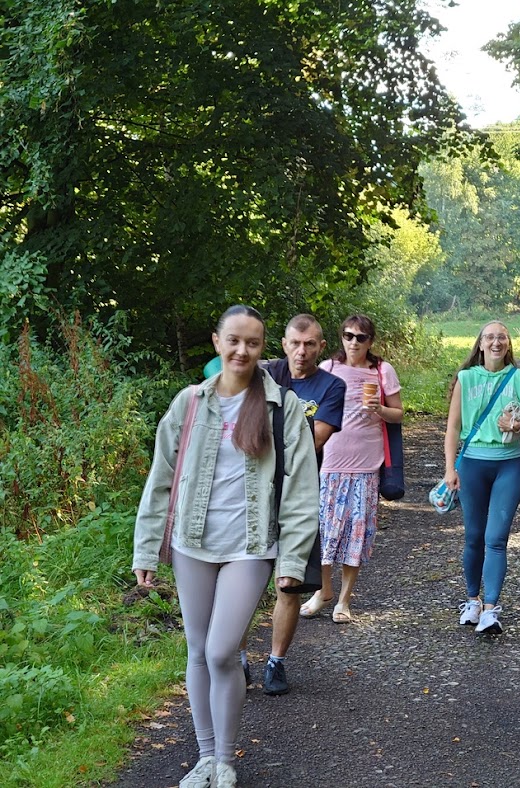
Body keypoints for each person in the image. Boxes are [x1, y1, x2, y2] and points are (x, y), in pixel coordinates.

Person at [132, 305, 319, 788]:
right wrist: (146, 548)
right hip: (191, 543)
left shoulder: (284, 408)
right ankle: (206, 757)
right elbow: (161, 479)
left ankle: (227, 758)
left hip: (250, 547)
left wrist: (293, 560)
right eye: (233, 341)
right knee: (197, 650)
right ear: (217, 341)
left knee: (220, 651)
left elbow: (300, 491)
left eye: (252, 343)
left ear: (263, 349)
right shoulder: (189, 403)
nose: (242, 351)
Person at [254, 314, 346, 697]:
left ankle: (276, 661)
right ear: (284, 343)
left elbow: (313, 442)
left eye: (309, 344)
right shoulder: (265, 373)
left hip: (300, 495)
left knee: (288, 585)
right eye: (294, 343)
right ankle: (240, 658)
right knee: (244, 582)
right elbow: (219, 377)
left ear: (321, 347)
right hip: (254, 494)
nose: (301, 351)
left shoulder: (332, 387)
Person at [299, 314, 403, 624]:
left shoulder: (382, 371)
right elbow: (308, 405)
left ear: (371, 341)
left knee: (357, 532)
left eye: (360, 337)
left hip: (367, 464)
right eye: (348, 335)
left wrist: (380, 409)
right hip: (330, 461)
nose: (353, 342)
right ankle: (324, 590)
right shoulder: (328, 369)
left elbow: (398, 414)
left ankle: (344, 599)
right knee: (327, 531)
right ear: (340, 338)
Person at [445, 321, 520, 634]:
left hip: (508, 466)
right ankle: (472, 600)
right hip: (472, 464)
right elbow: (452, 428)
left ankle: (490, 610)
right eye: (490, 337)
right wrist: (450, 469)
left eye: (502, 337)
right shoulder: (466, 377)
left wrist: (517, 427)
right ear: (480, 344)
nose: (496, 342)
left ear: (508, 344)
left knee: (496, 539)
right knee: (474, 536)